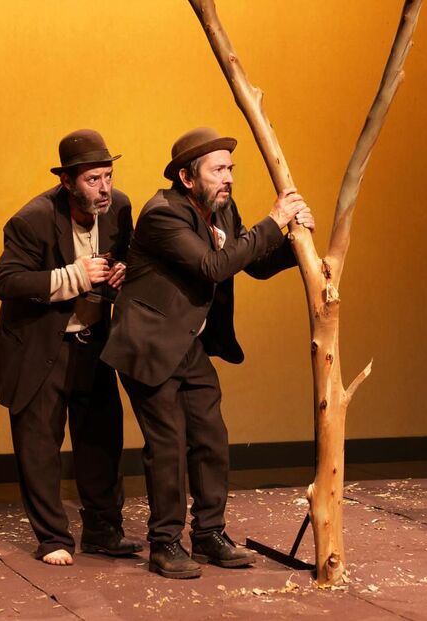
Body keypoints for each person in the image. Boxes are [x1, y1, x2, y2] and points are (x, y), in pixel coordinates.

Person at [101, 127, 314, 579]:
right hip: (149, 344)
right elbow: (213, 266)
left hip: (186, 343)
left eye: (230, 169)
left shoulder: (222, 209)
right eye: (218, 170)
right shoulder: (162, 214)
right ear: (187, 177)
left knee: (210, 436)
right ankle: (165, 543)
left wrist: (294, 245)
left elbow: (252, 262)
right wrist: (273, 221)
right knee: (168, 446)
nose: (229, 178)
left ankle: (209, 534)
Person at [0, 129, 142, 566]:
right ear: (67, 182)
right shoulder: (33, 219)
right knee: (40, 444)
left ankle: (103, 530)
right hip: (42, 344)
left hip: (92, 340)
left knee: (101, 437)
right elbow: (7, 281)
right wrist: (74, 275)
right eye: (93, 179)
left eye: (108, 176)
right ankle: (52, 537)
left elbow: (130, 255)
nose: (104, 188)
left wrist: (123, 271)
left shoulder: (119, 208)